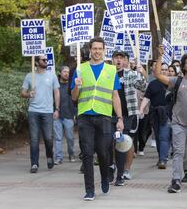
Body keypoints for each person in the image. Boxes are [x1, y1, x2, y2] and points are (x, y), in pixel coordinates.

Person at [71, 37, 123, 201]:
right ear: (90, 50)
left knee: (103, 151)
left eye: (100, 48)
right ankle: (89, 190)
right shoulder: (80, 69)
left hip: (104, 117)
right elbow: (74, 97)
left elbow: (115, 96)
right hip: (85, 115)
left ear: (104, 50)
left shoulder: (111, 70)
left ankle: (106, 175)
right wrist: (77, 86)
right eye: (94, 48)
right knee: (87, 153)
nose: (97, 51)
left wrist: (120, 118)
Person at [154, 45, 187, 193]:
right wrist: (160, 56)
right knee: (178, 152)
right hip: (178, 123)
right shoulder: (177, 81)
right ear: (183, 66)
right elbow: (158, 75)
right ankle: (176, 180)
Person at [111, 51, 146, 181]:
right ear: (112, 60)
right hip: (109, 113)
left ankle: (126, 169)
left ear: (126, 60)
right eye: (116, 58)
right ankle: (115, 165)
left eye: (122, 58)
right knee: (113, 141)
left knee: (124, 140)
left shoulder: (131, 74)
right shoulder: (108, 73)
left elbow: (143, 87)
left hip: (127, 114)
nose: (119, 60)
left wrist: (141, 74)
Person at [21, 55, 60, 173]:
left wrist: (57, 109)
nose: (46, 61)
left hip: (47, 111)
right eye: (43, 60)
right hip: (33, 111)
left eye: (46, 60)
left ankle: (49, 156)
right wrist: (28, 94)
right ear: (37, 62)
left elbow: (57, 93)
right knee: (34, 139)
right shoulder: (30, 76)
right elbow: (22, 92)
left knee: (48, 138)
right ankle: (34, 164)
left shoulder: (52, 75)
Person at [139, 63, 171, 169]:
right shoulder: (152, 84)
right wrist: (141, 109)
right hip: (155, 114)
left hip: (167, 114)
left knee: (163, 136)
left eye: (166, 69)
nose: (164, 71)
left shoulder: (172, 83)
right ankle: (161, 156)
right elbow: (147, 98)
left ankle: (163, 159)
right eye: (161, 69)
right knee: (158, 136)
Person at [53, 66, 76, 165]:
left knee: (70, 137)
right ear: (60, 73)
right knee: (57, 138)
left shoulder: (72, 85)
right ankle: (59, 157)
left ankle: (71, 153)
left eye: (68, 72)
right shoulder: (55, 85)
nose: (66, 73)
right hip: (57, 115)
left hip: (69, 115)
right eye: (64, 71)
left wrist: (75, 113)